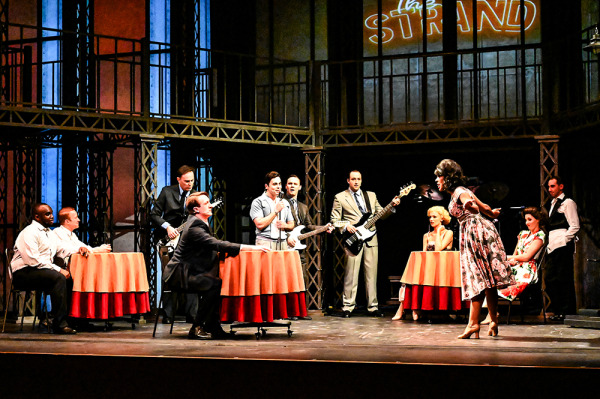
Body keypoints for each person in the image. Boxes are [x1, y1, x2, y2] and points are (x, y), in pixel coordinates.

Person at [163, 192, 268, 339]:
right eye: (206, 203)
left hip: (190, 271)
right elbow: (216, 244)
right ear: (196, 210)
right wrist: (249, 247)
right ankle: (197, 327)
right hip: (179, 274)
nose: (210, 205)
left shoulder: (199, 222)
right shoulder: (194, 226)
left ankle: (213, 326)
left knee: (215, 281)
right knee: (214, 284)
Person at [434, 159, 514, 339]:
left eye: (439, 176)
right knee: (488, 278)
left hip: (474, 233)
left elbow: (473, 204)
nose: (437, 180)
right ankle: (493, 320)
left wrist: (471, 206)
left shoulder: (461, 192)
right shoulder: (464, 190)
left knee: (477, 277)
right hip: (481, 230)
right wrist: (493, 214)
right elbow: (485, 207)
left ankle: (473, 324)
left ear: (447, 177)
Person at [330, 170, 400, 318]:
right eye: (353, 179)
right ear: (348, 180)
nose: (356, 181)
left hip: (371, 238)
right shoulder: (340, 197)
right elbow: (334, 220)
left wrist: (392, 206)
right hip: (353, 238)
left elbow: (382, 214)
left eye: (358, 179)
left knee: (371, 274)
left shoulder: (371, 195)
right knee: (351, 273)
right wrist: (345, 226)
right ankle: (348, 306)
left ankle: (373, 306)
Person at [9, 203, 89, 334]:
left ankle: (69, 319)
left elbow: (61, 249)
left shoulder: (50, 234)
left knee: (70, 277)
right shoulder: (29, 232)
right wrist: (58, 269)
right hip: (23, 273)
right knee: (58, 277)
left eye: (51, 213)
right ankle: (59, 325)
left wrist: (79, 249)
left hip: (40, 270)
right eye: (47, 214)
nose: (52, 217)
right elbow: (33, 260)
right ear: (37, 217)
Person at [481, 206, 548, 324]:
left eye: (530, 220)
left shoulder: (540, 236)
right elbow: (516, 253)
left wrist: (506, 257)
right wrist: (510, 260)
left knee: (502, 278)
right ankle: (492, 312)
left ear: (538, 220)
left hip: (527, 269)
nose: (527, 223)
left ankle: (492, 313)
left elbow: (527, 257)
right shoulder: (523, 234)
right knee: (493, 276)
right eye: (526, 220)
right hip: (517, 265)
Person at [150, 164, 198, 324]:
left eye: (192, 181)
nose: (189, 184)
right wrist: (167, 227)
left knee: (191, 275)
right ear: (178, 179)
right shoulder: (167, 192)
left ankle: (192, 315)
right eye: (186, 181)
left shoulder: (196, 196)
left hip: (187, 241)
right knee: (169, 275)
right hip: (167, 240)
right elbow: (154, 214)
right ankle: (168, 315)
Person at [284, 174, 333, 319]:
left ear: (300, 187)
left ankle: (301, 311)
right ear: (286, 186)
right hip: (286, 246)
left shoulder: (303, 207)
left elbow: (308, 226)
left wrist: (323, 228)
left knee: (302, 278)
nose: (292, 186)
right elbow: (276, 227)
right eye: (289, 183)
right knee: (288, 279)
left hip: (299, 248)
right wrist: (288, 237)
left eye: (295, 184)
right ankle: (288, 311)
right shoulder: (280, 203)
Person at [392, 206, 453, 321]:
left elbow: (438, 249)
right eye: (430, 217)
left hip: (442, 269)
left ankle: (410, 309)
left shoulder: (448, 233)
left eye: (434, 217)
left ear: (442, 218)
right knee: (410, 278)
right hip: (430, 266)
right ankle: (406, 308)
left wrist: (439, 231)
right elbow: (425, 253)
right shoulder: (427, 235)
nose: (431, 219)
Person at [544, 176, 579, 321]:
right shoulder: (552, 203)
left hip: (562, 244)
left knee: (564, 279)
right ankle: (558, 310)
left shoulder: (568, 202)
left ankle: (567, 312)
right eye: (549, 186)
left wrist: (564, 240)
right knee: (551, 279)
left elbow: (575, 225)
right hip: (553, 245)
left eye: (553, 186)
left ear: (561, 186)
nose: (550, 189)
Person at [250, 171, 294, 250]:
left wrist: (285, 226)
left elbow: (291, 224)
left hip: (282, 242)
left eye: (279, 184)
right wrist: (275, 211)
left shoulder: (284, 202)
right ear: (266, 186)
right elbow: (259, 224)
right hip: (265, 242)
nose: (278, 187)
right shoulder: (258, 201)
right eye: (275, 184)